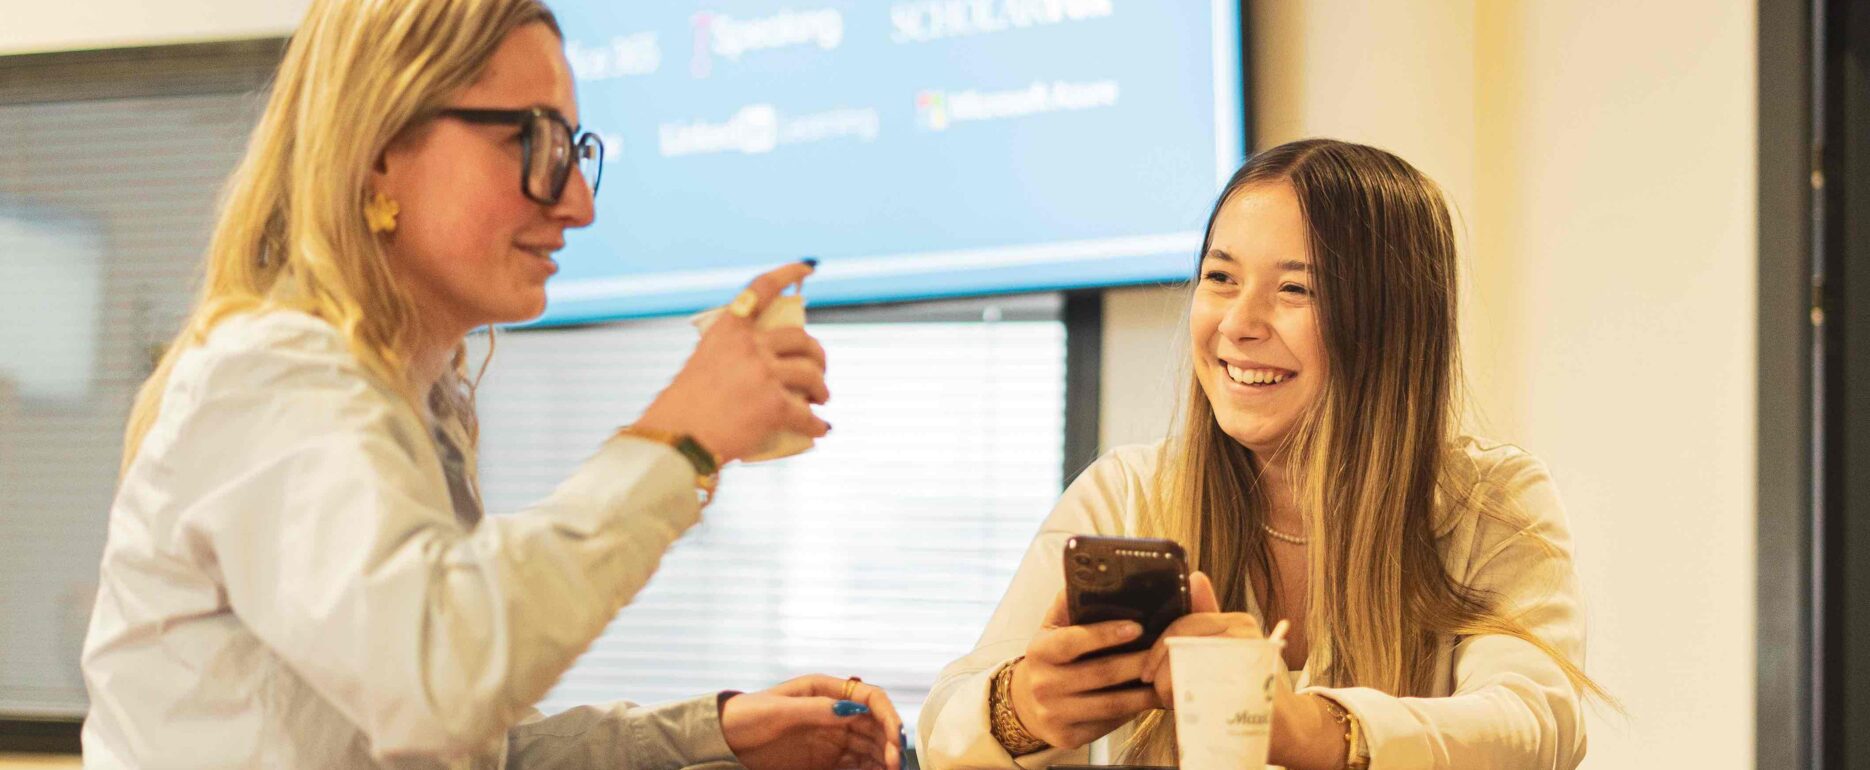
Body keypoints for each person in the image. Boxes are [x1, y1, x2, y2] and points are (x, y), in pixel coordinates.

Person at [79, 1, 903, 768]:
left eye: (577, 153)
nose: (576, 203)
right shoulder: (269, 375)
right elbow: (439, 676)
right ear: (376, 149)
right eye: (533, 143)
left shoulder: (411, 405)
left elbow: (458, 747)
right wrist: (680, 439)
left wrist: (710, 739)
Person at [917, 139, 1607, 770]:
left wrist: (1303, 727)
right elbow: (946, 721)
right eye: (1221, 279)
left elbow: (1538, 725)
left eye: (1295, 290)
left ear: (1391, 322)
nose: (1239, 325)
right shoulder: (1128, 491)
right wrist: (1022, 709)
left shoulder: (1491, 501)